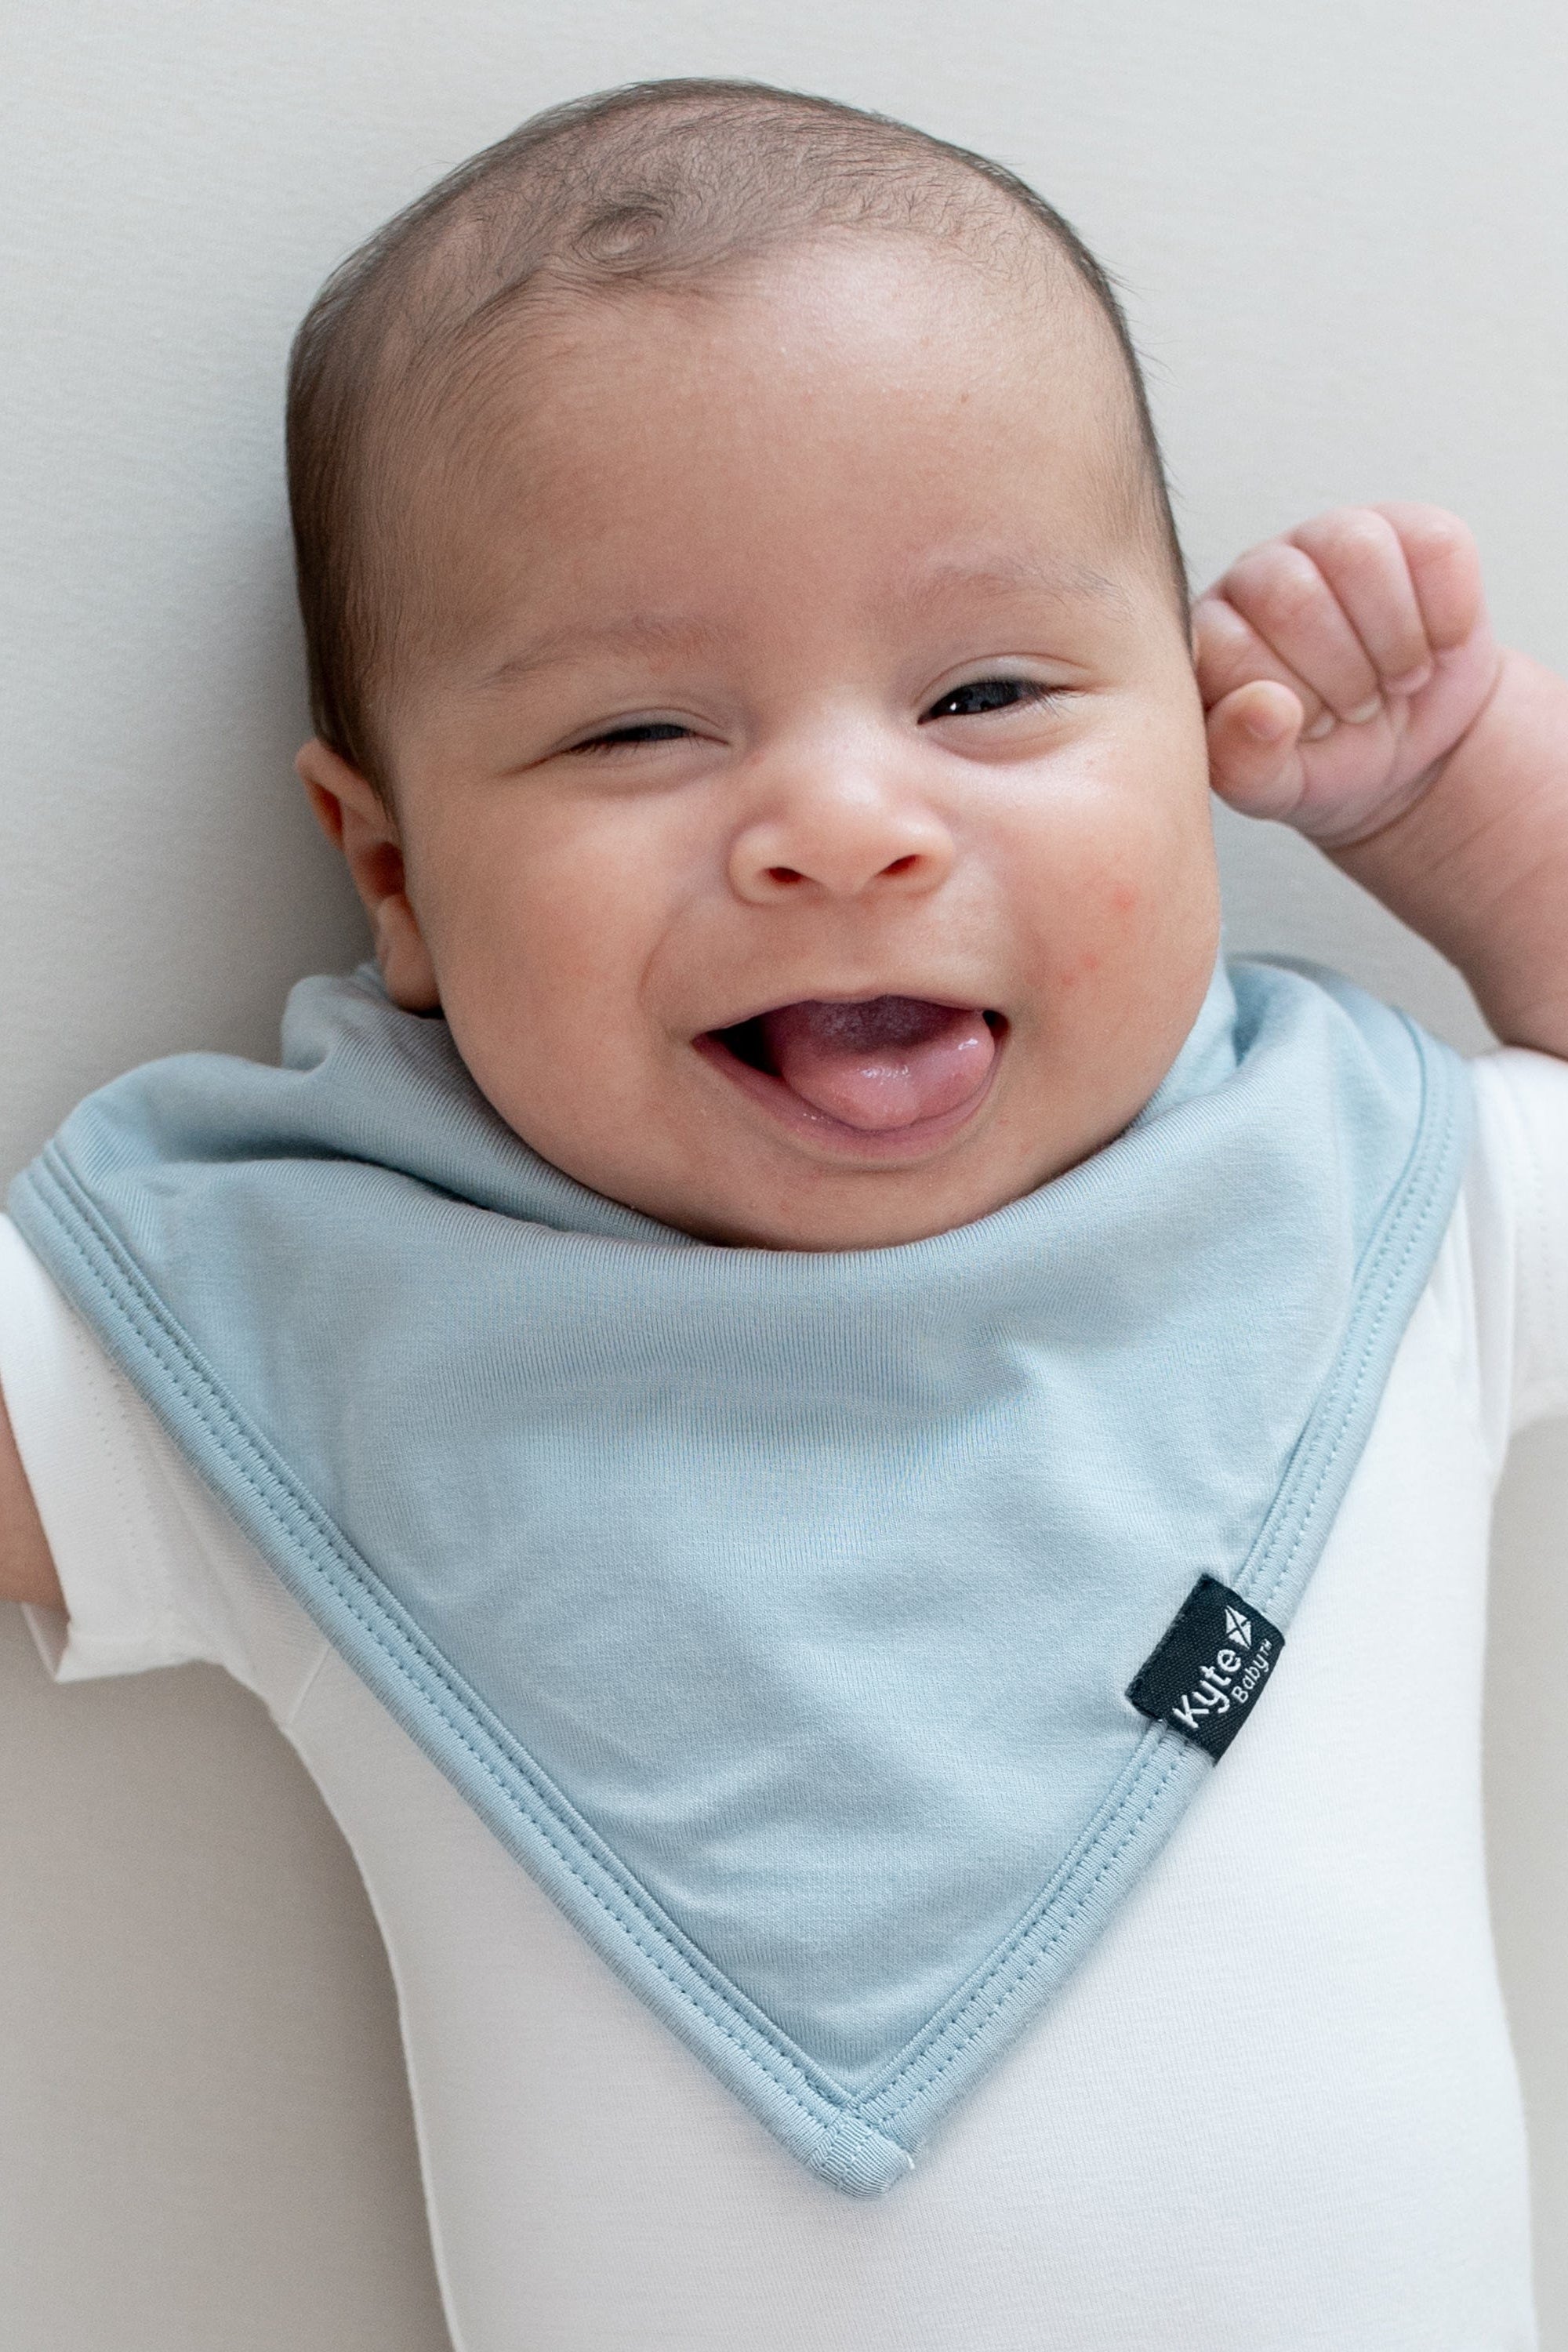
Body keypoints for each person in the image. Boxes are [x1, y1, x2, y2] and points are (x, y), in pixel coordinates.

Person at [2, 78, 1564, 2349]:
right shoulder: (313, 1320)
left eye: (991, 690)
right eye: (643, 734)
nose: (843, 824)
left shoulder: (1360, 1209)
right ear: (393, 870)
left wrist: (1466, 796)